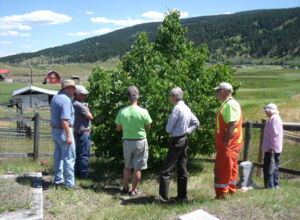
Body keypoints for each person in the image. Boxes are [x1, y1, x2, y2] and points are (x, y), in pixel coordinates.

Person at [159, 87, 200, 203]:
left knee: (166, 171)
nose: (169, 99)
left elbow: (168, 128)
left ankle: (164, 199)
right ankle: (182, 196)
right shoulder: (186, 108)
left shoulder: (177, 109)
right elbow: (196, 123)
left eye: (170, 97)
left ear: (173, 97)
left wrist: (172, 130)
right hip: (184, 139)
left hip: (176, 140)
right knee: (182, 169)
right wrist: (187, 131)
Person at [115, 86, 152, 196]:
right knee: (137, 168)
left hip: (127, 141)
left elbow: (118, 128)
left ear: (128, 97)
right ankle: (133, 190)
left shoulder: (122, 111)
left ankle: (125, 188)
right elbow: (149, 127)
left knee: (127, 166)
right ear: (138, 97)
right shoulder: (143, 111)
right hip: (140, 141)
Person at [214, 82, 243, 199]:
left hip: (229, 143)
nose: (217, 94)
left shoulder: (230, 104)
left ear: (223, 91)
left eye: (218, 91)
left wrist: (225, 140)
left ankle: (222, 194)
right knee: (231, 166)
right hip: (231, 142)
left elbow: (232, 124)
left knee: (223, 167)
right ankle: (230, 190)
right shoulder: (228, 104)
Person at [50, 79, 76, 190]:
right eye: (73, 88)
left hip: (55, 131)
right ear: (68, 88)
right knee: (69, 157)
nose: (74, 90)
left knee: (58, 157)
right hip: (64, 131)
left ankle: (58, 179)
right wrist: (69, 135)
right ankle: (69, 184)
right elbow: (65, 120)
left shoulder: (55, 97)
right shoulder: (66, 100)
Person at [73, 85, 93, 178]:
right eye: (83, 94)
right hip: (84, 132)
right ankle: (84, 174)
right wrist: (88, 110)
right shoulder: (79, 105)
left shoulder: (73, 103)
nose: (85, 96)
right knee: (84, 154)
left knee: (78, 153)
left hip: (78, 131)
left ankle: (77, 172)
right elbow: (90, 116)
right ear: (77, 94)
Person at [262, 103, 283, 189]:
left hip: (271, 148)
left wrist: (271, 147)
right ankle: (275, 184)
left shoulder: (273, 119)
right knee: (275, 166)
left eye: (266, 111)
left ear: (270, 111)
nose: (266, 113)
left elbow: (274, 134)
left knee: (269, 166)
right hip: (274, 147)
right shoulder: (276, 118)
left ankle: (270, 185)